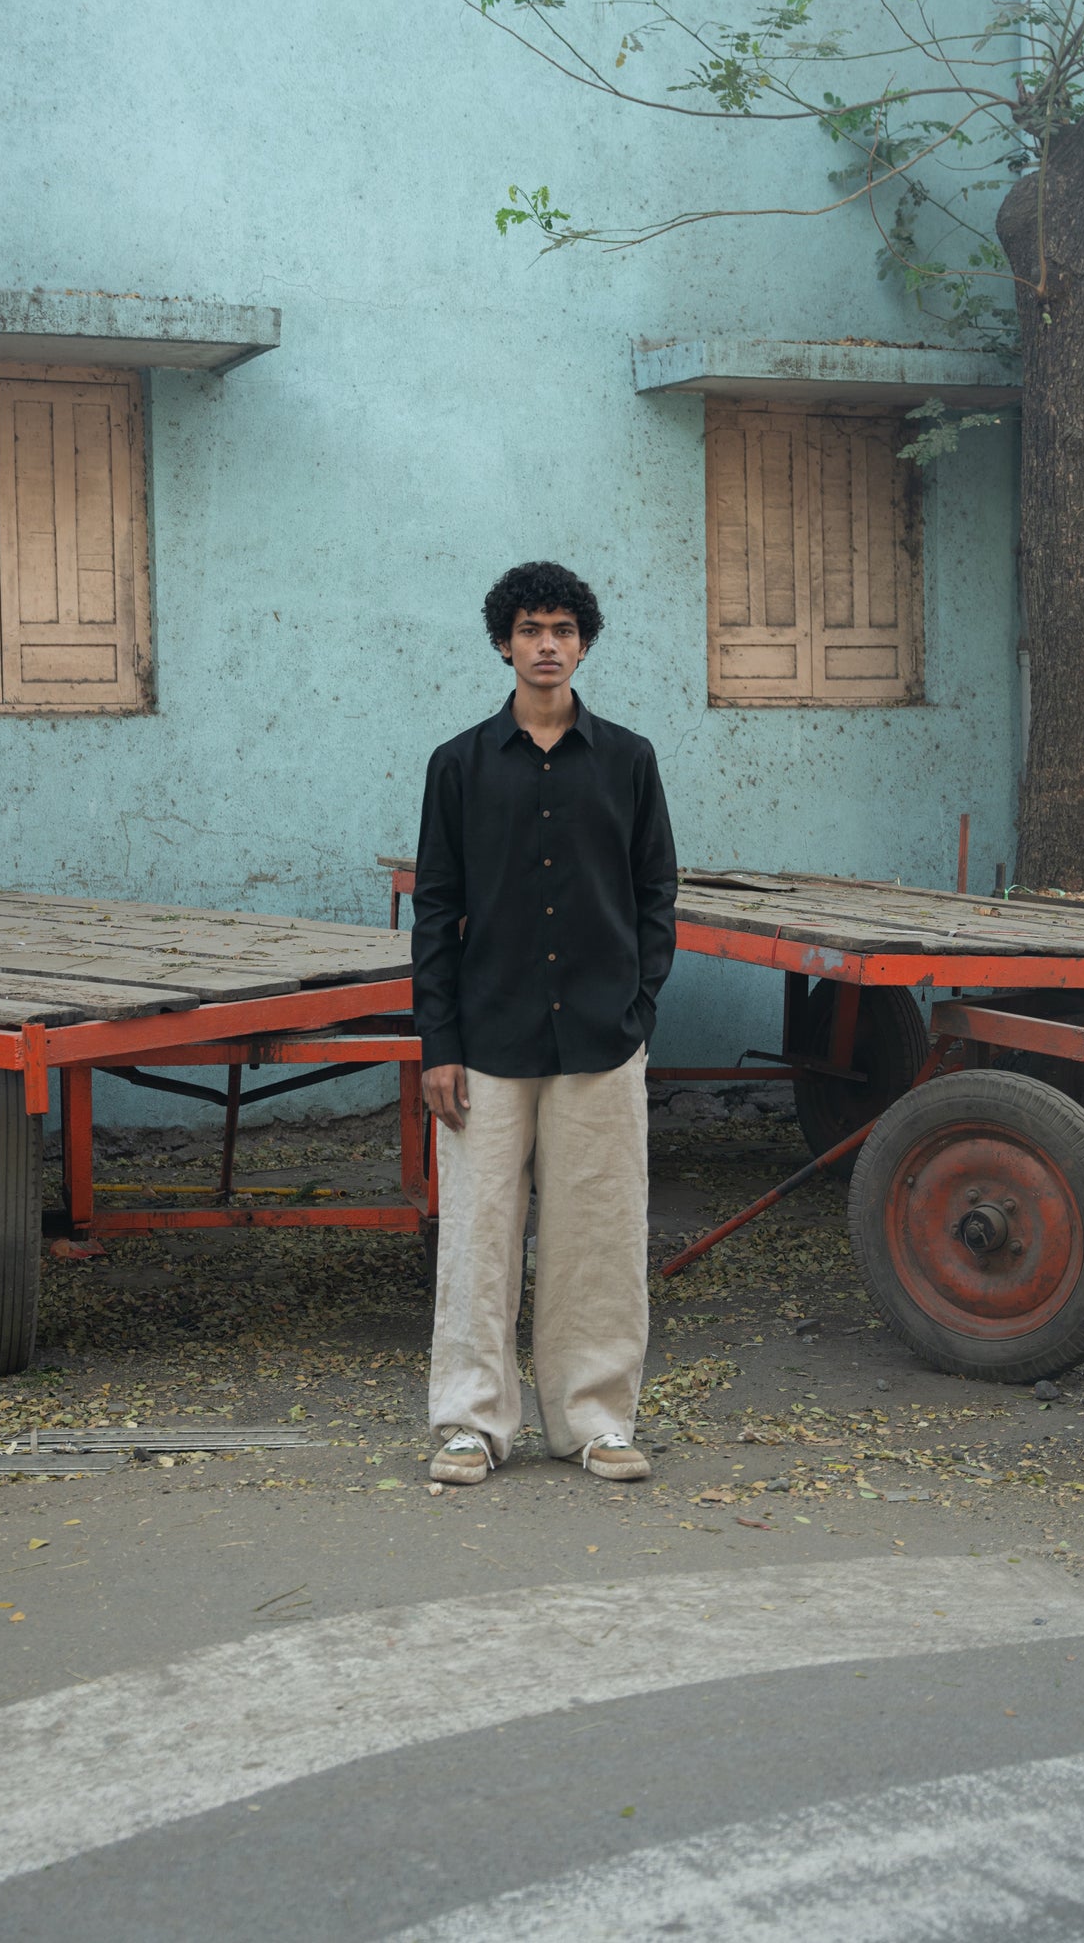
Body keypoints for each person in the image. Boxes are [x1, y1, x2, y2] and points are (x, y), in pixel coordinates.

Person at [412, 560, 678, 1486]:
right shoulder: (457, 765)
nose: (547, 646)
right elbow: (435, 912)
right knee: (480, 1234)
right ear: (503, 643)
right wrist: (437, 1046)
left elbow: (655, 897)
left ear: (583, 643)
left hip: (601, 1040)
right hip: (486, 1040)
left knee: (598, 1230)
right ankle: (471, 1423)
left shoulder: (630, 760)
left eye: (562, 630)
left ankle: (596, 1419)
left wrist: (637, 1011)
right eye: (530, 630)